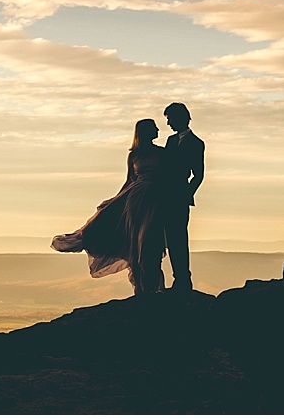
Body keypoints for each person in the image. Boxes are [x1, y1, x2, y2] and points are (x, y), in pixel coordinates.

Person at [51, 119, 165, 295]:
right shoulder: (134, 155)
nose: (158, 129)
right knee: (134, 242)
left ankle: (153, 287)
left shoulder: (162, 153)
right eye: (153, 127)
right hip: (135, 200)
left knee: (149, 241)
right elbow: (129, 181)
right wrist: (115, 200)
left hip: (155, 199)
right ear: (144, 132)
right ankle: (141, 289)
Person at [161, 102, 204, 291]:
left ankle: (183, 279)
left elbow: (199, 174)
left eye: (170, 119)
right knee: (171, 239)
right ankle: (179, 278)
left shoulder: (196, 143)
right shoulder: (170, 141)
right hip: (164, 196)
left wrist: (187, 193)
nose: (168, 124)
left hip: (179, 197)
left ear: (181, 118)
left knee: (178, 238)